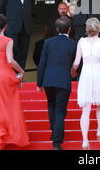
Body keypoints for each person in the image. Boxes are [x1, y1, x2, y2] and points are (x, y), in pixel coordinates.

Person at [0, 14, 29, 150]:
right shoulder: (8, 40)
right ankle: (13, 136)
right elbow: (10, 60)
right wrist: (21, 70)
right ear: (5, 26)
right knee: (10, 106)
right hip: (6, 75)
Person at [37, 17, 77, 150]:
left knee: (51, 106)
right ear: (69, 29)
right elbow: (75, 64)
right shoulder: (73, 44)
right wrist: (74, 74)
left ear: (57, 29)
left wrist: (39, 83)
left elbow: (42, 64)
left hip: (49, 80)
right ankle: (57, 141)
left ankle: (54, 132)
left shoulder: (48, 42)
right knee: (60, 110)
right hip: (63, 80)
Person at [71, 18, 100, 150]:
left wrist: (73, 71)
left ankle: (85, 140)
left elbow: (76, 62)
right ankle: (99, 129)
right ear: (98, 28)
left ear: (86, 29)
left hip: (86, 73)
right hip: (99, 71)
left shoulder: (81, 42)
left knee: (86, 108)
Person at [0, 0, 36, 71]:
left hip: (26, 27)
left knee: (23, 53)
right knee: (12, 52)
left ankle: (20, 76)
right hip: (11, 27)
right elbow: (1, 9)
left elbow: (32, 9)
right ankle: (11, 76)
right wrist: (3, 26)